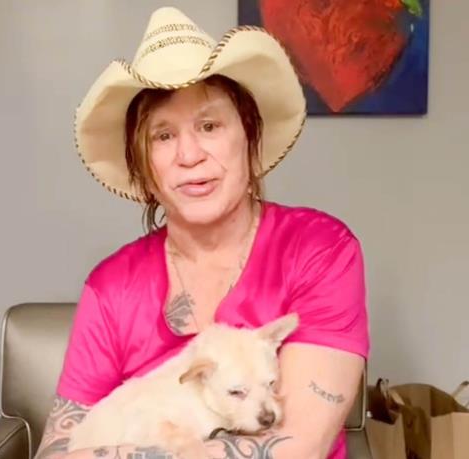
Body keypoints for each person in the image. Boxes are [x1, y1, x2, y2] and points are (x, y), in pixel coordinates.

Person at [35, 6, 369, 459]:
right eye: (163, 136)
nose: (189, 154)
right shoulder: (111, 288)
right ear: (144, 168)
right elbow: (57, 450)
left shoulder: (319, 251)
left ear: (249, 138)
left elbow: (298, 447)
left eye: (209, 126)